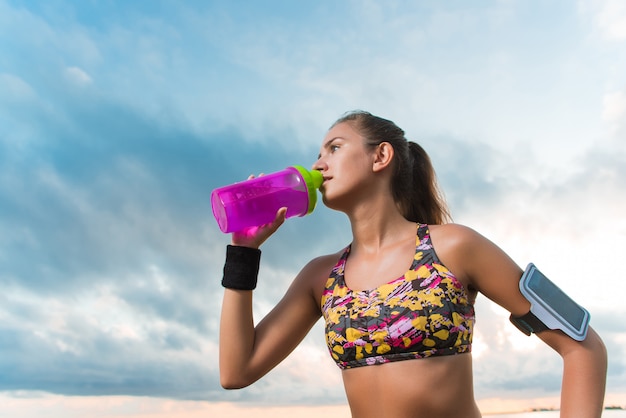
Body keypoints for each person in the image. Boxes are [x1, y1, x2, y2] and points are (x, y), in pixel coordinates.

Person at [218, 110, 607, 418]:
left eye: (333, 148)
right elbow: (237, 372)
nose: (318, 165)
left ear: (381, 156)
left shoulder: (455, 246)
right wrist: (244, 252)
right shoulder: (321, 278)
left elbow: (582, 345)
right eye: (317, 154)